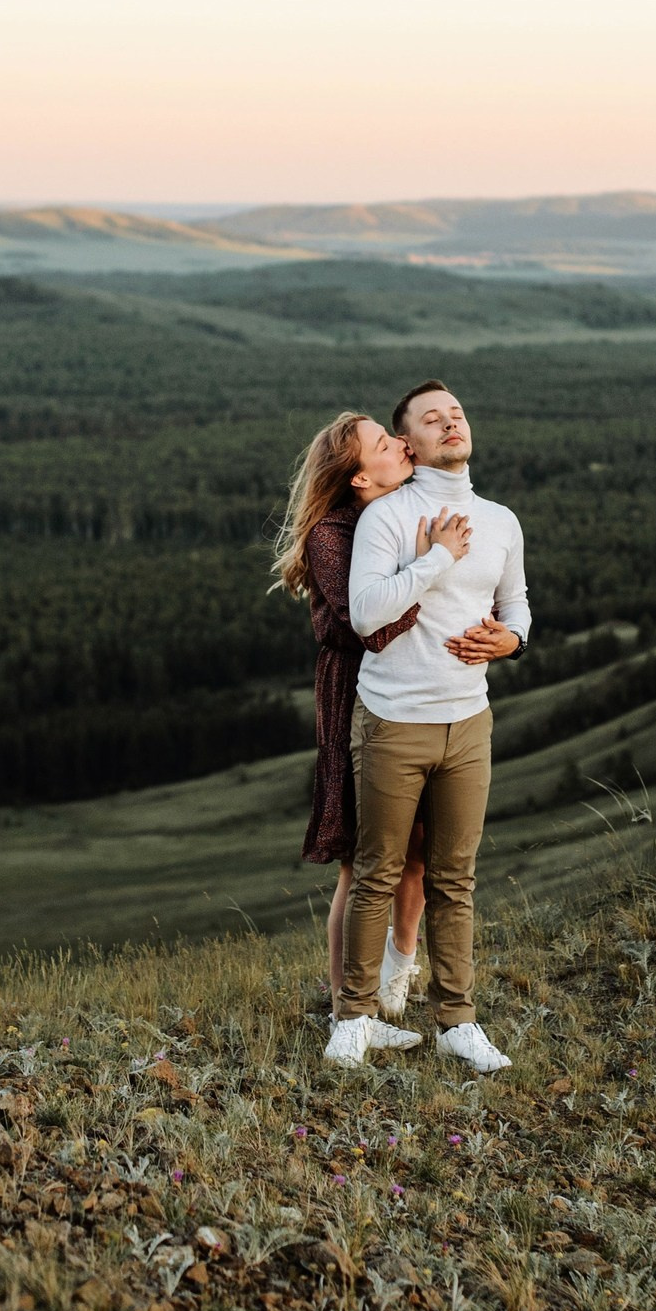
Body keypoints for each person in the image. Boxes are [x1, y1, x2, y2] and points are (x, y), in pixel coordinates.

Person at [327, 380, 529, 1071]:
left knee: (455, 877)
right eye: (432, 418)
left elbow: (517, 604)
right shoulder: (387, 516)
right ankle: (352, 1017)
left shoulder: (501, 520)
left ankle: (457, 1021)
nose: (452, 423)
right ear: (407, 442)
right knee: (378, 872)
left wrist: (514, 641)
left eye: (458, 413)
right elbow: (365, 612)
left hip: (469, 720)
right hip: (392, 720)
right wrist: (437, 556)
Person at [268, 411, 443, 1021]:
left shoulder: (394, 509)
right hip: (355, 694)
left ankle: (394, 986)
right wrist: (430, 571)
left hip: (412, 688)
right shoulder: (331, 534)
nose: (400, 444)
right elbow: (361, 626)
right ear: (360, 477)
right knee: (363, 861)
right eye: (382, 443)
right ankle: (353, 1007)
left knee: (417, 850)